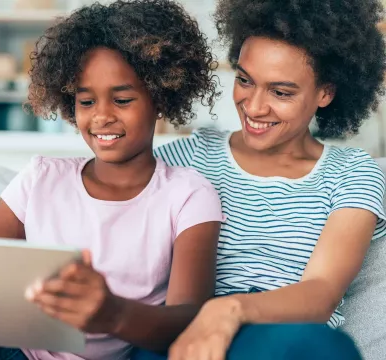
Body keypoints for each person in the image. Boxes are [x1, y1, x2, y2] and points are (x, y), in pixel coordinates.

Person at [0, 1, 224, 360]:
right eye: (86, 102)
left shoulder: (187, 194)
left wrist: (113, 313)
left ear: (161, 97)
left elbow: (188, 318)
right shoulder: (41, 178)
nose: (101, 116)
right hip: (18, 349)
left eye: (121, 99)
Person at [134, 0, 385, 359]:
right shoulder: (189, 157)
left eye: (281, 93)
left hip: (285, 341)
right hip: (186, 337)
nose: (254, 107)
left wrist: (228, 310)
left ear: (326, 93)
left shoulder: (351, 173)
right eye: (245, 81)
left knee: (325, 348)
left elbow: (321, 293)